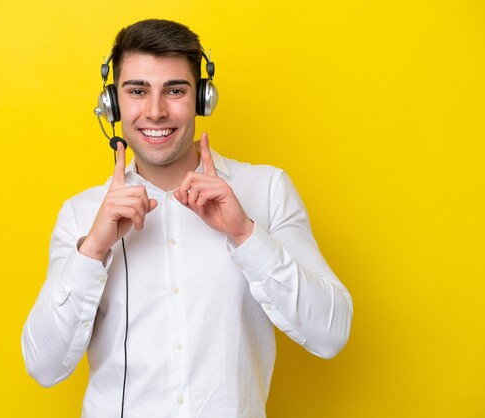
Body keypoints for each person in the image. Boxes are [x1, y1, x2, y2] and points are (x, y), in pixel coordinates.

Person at [21, 19, 352, 418]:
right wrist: (92, 251)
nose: (156, 112)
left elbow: (331, 334)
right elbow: (43, 366)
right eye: (137, 91)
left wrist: (245, 235)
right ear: (112, 103)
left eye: (175, 91)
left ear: (202, 100)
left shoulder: (266, 190)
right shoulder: (81, 215)